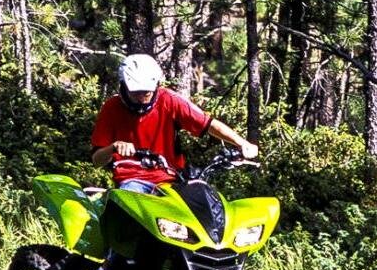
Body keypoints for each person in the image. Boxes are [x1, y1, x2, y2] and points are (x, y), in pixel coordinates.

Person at [91, 54, 258, 193]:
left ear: (156, 86)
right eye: (136, 93)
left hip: (172, 180)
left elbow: (208, 124)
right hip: (132, 181)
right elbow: (97, 160)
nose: (142, 98)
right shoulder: (111, 108)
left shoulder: (169, 100)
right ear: (124, 86)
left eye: (146, 93)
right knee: (133, 207)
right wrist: (114, 147)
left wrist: (242, 143)